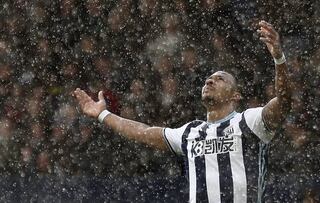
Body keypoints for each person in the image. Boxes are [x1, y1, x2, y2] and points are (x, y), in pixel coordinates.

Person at [73, 20, 291, 203]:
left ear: (236, 96)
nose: (210, 81)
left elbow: (284, 102)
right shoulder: (191, 132)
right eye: (209, 79)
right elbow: (143, 132)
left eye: (220, 79)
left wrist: (278, 59)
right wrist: (102, 114)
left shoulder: (248, 122)